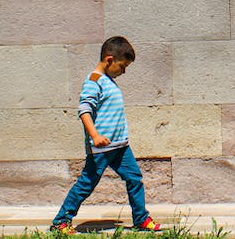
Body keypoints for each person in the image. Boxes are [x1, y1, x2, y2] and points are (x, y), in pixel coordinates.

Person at [49, 36, 161, 235]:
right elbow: (84, 109)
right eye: (122, 66)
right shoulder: (94, 80)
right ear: (109, 60)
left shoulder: (108, 81)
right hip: (102, 146)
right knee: (87, 182)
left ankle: (141, 219)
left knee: (134, 177)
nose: (124, 71)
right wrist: (95, 135)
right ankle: (61, 221)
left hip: (120, 145)